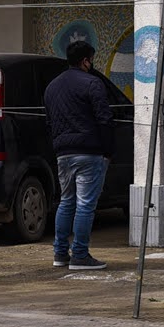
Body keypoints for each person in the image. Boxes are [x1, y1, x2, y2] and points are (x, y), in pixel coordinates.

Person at [44, 39, 113, 272]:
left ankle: (60, 253)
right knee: (85, 205)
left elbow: (49, 122)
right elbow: (105, 119)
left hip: (63, 153)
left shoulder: (52, 86)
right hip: (89, 152)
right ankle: (80, 255)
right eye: (91, 60)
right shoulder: (92, 83)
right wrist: (108, 150)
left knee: (66, 202)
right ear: (86, 61)